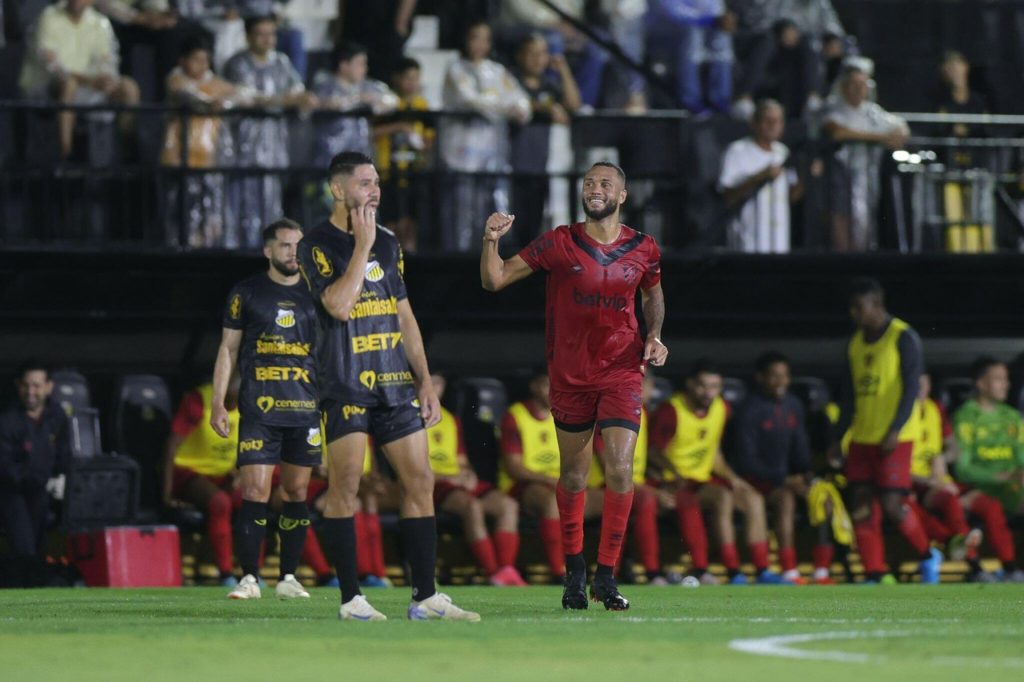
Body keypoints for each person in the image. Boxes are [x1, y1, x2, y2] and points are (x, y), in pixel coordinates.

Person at [297, 150, 479, 621]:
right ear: (338, 190)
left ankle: (424, 597)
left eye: (376, 183)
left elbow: (405, 315)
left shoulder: (391, 242)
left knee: (420, 480)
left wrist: (425, 381)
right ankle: (351, 598)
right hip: (345, 383)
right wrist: (361, 246)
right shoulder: (315, 244)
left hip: (396, 383)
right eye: (364, 183)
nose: (374, 190)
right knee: (346, 487)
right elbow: (337, 305)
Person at [481, 161, 668, 611]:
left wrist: (655, 334)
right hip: (568, 374)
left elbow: (652, 294)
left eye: (605, 183)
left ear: (622, 195)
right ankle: (574, 573)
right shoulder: (559, 242)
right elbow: (495, 279)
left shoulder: (644, 247)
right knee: (574, 475)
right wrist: (491, 240)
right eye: (589, 183)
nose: (595, 189)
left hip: (621, 369)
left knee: (621, 470)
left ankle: (607, 575)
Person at [209, 219, 321, 600]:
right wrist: (218, 402)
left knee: (296, 491)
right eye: (286, 246)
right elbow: (228, 350)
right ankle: (251, 577)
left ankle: (288, 577)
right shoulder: (247, 292)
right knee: (255, 488)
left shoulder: (317, 292)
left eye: (298, 246)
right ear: (268, 251)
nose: (294, 253)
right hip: (259, 408)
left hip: (304, 408)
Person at [828, 278, 942, 584]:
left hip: (896, 437)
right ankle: (875, 574)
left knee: (892, 505)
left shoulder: (903, 337)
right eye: (852, 307)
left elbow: (910, 389)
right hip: (863, 437)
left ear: (876, 305)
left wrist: (895, 428)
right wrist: (837, 437)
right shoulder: (855, 343)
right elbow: (850, 396)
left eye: (859, 307)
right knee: (862, 506)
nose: (854, 313)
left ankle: (927, 555)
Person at [651, 359, 786, 585]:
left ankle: (763, 569)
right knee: (722, 497)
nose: (708, 392)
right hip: (677, 483)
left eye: (714, 387)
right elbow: (653, 451)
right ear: (690, 384)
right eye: (703, 386)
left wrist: (734, 479)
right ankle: (733, 570)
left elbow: (714, 453)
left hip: (704, 479)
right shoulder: (671, 410)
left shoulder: (722, 409)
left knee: (753, 498)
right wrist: (673, 472)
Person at [223, 15, 317, 248]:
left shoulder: (282, 62)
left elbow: (298, 92)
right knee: (242, 202)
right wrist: (282, 100)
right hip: (244, 146)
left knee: (272, 202)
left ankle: (269, 251)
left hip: (275, 145)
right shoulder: (237, 63)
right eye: (261, 34)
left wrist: (304, 100)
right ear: (247, 37)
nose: (267, 39)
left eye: (271, 34)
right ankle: (239, 250)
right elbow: (245, 98)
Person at [728, 352, 821, 584]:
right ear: (760, 377)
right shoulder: (749, 410)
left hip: (780, 482)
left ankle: (819, 571)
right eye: (774, 376)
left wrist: (807, 475)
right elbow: (745, 460)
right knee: (778, 501)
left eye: (785, 376)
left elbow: (800, 447)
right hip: (751, 481)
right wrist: (785, 479)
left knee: (824, 499)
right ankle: (770, 570)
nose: (781, 382)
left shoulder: (793, 405)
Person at [441, 20, 531, 251]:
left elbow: (521, 101)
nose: (480, 44)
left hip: (492, 150)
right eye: (475, 37)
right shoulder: (457, 69)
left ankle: (491, 252)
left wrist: (516, 108)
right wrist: (504, 107)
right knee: (462, 204)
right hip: (462, 151)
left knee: (492, 201)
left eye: (485, 39)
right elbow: (469, 99)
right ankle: (459, 253)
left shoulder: (497, 71)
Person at [430, 372, 526, 586]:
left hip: (456, 481)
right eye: (428, 382)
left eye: (437, 383)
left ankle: (507, 570)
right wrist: (448, 476)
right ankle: (493, 573)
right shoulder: (408, 419)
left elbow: (461, 460)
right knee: (472, 506)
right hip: (432, 484)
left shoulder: (450, 419)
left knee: (508, 505)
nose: (433, 388)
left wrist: (468, 475)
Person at [18, 0, 140, 159]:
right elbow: (52, 67)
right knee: (69, 85)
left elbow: (107, 61)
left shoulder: (100, 23)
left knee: (128, 87)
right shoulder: (49, 17)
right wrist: (89, 81)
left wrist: (106, 78)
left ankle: (130, 157)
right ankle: (65, 154)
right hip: (45, 86)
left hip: (87, 86)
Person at [589, 373, 679, 585]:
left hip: (632, 485)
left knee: (677, 498)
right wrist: (654, 491)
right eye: (635, 385)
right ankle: (649, 572)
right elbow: (612, 470)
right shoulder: (608, 417)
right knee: (645, 499)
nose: (640, 391)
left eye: (643, 385)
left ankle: (699, 568)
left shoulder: (644, 414)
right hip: (598, 487)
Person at [161, 36, 243, 248]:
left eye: (205, 60)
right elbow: (187, 96)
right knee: (180, 216)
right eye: (196, 59)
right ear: (183, 60)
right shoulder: (176, 79)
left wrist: (229, 100)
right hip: (180, 160)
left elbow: (241, 94)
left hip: (209, 161)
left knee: (211, 219)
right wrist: (209, 103)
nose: (202, 65)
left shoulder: (214, 83)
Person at [822, 58, 909, 252]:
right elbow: (836, 132)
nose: (858, 89)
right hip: (841, 174)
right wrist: (878, 138)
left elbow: (901, 128)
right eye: (853, 84)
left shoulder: (873, 112)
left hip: (868, 176)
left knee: (866, 220)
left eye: (862, 85)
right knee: (842, 216)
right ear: (844, 86)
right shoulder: (835, 109)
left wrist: (896, 136)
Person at [163, 377, 241, 586]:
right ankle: (225, 574)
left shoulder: (251, 403)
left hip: (222, 475)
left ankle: (254, 572)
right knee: (220, 502)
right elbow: (171, 446)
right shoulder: (201, 400)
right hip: (188, 472)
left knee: (253, 500)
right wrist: (166, 495)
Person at [952, 357, 1024, 582]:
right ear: (981, 384)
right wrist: (1000, 477)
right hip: (979, 489)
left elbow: (1021, 458)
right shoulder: (965, 417)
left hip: (1012, 488)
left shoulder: (1012, 418)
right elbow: (962, 469)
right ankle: (1009, 569)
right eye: (999, 379)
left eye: (1007, 379)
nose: (1006, 385)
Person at [0, 361, 70, 587]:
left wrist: (62, 478)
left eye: (37, 385)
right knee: (25, 551)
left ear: (49, 386)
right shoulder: (9, 420)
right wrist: (42, 480)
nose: (31, 391)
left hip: (42, 495)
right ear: (18, 386)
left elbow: (64, 453)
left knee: (39, 549)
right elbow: (6, 467)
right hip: (14, 494)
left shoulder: (56, 415)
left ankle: (37, 596)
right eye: (26, 385)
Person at [906, 373, 982, 565]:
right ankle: (962, 553)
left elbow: (954, 449)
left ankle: (963, 551)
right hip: (907, 482)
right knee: (906, 506)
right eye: (914, 384)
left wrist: (942, 457)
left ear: (929, 384)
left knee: (950, 497)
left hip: (934, 482)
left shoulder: (935, 409)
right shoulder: (899, 411)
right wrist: (925, 481)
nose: (919, 388)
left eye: (923, 384)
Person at [498, 371, 565, 581]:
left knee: (609, 500)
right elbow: (514, 468)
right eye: (547, 385)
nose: (553, 391)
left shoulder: (563, 415)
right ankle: (560, 572)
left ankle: (611, 572)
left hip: (560, 485)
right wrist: (549, 480)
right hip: (523, 487)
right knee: (552, 501)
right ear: (535, 386)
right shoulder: (516, 415)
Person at [718, 99, 801, 253]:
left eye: (777, 121)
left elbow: (792, 196)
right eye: (767, 120)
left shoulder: (783, 152)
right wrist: (760, 176)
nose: (772, 125)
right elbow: (728, 197)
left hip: (779, 242)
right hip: (748, 242)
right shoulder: (737, 151)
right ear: (754, 123)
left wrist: (809, 176)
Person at [374, 57, 434, 253]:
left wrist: (422, 145)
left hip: (413, 170)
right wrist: (399, 126)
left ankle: (410, 255)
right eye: (408, 78)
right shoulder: (386, 104)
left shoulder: (422, 106)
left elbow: (429, 138)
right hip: (387, 171)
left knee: (411, 218)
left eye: (416, 78)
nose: (412, 83)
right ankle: (390, 256)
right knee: (391, 219)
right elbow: (372, 131)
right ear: (396, 79)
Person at [312, 42, 399, 168]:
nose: (365, 68)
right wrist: (357, 99)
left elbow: (393, 100)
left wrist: (375, 101)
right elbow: (322, 103)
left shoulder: (366, 86)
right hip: (329, 160)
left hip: (360, 160)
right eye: (360, 63)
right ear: (344, 65)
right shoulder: (325, 84)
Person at [646, 0, 735, 113]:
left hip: (700, 29)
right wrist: (708, 21)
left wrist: (722, 20)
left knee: (721, 34)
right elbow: (673, 14)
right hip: (663, 34)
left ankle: (720, 101)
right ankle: (690, 101)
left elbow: (715, 10)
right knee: (692, 35)